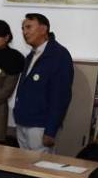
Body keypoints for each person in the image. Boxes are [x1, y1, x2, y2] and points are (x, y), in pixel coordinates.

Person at [13, 13, 74, 153]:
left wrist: (51, 130)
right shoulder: (32, 55)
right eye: (23, 28)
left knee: (37, 169)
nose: (24, 32)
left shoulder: (58, 55)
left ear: (43, 28)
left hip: (40, 127)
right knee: (22, 167)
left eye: (29, 27)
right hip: (23, 123)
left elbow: (61, 96)